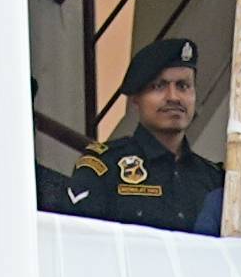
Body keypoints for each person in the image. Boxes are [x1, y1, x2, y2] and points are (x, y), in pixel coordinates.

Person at [44, 34, 227, 231]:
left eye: (183, 86)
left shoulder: (215, 179)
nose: (173, 97)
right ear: (135, 99)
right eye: (159, 86)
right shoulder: (104, 167)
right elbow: (79, 243)